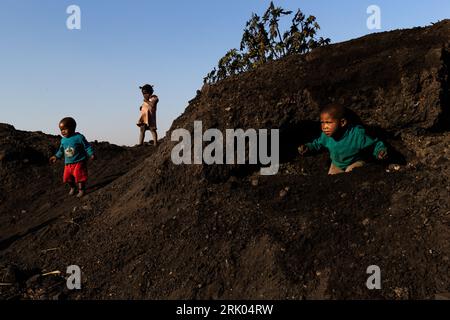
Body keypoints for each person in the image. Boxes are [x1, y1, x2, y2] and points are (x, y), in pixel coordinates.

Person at [298, 103, 388, 175]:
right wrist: (308, 147)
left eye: (328, 122)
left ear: (342, 122)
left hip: (355, 163)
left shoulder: (356, 135)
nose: (325, 127)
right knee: (332, 182)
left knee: (352, 175)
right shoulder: (326, 136)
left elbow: (374, 144)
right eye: (322, 123)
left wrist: (379, 151)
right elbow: (317, 144)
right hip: (336, 164)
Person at [49, 117, 95, 197]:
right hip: (68, 163)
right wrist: (56, 156)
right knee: (67, 177)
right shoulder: (63, 140)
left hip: (79, 161)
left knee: (79, 176)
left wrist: (91, 154)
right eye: (61, 130)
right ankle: (73, 187)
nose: (62, 131)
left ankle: (81, 190)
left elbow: (87, 146)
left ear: (72, 128)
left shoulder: (79, 137)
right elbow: (61, 150)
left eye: (65, 129)